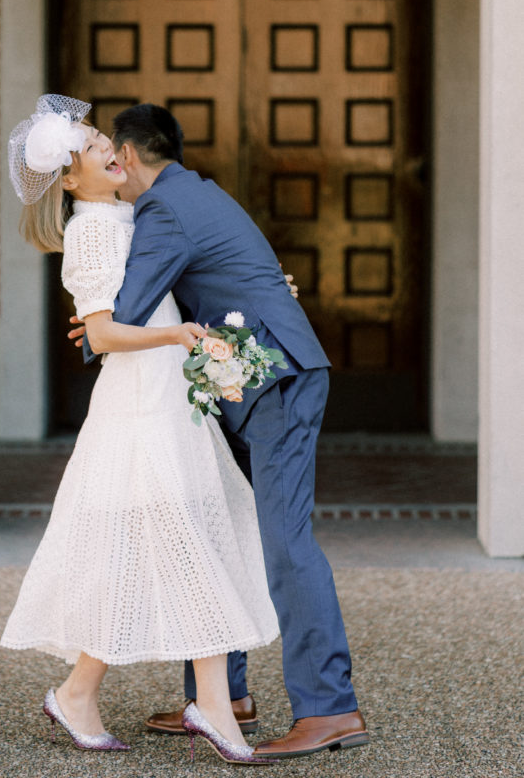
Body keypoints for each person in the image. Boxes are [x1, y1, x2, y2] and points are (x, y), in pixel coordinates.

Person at [71, 102, 370, 760]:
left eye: (110, 154)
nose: (108, 165)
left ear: (127, 157)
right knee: (221, 524)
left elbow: (124, 309)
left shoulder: (165, 209)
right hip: (243, 381)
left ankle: (329, 707)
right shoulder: (191, 193)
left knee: (284, 541)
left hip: (274, 381)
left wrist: (95, 331)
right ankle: (221, 696)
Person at [0, 94, 279, 766]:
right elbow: (101, 332)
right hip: (138, 407)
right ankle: (207, 704)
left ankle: (80, 692)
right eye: (99, 151)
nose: (114, 154)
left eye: (110, 146)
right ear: (71, 180)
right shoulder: (92, 231)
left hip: (163, 400)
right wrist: (173, 334)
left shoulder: (125, 214)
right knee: (187, 540)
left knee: (144, 551)